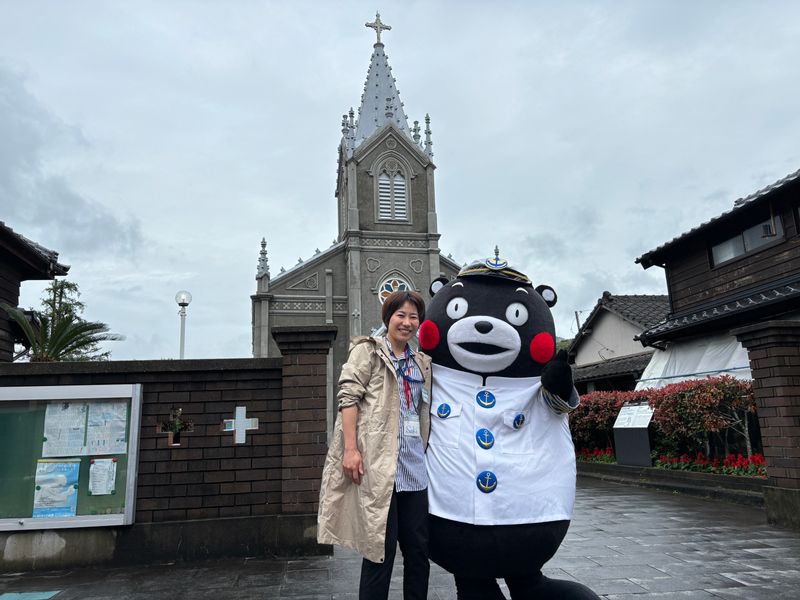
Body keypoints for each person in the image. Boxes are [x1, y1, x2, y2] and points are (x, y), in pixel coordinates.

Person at [317, 290, 432, 600]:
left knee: (419, 551)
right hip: (380, 469)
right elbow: (348, 398)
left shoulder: (421, 362)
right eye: (401, 315)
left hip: (414, 471)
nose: (407, 322)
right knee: (379, 552)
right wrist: (351, 449)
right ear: (388, 318)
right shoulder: (368, 353)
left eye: (413, 317)